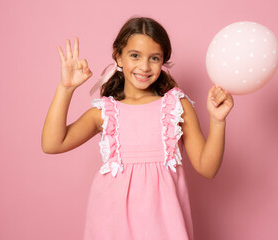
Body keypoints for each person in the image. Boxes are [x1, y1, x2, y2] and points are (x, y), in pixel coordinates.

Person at [42, 17, 233, 240]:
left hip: (164, 227)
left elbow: (207, 168)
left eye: (154, 58)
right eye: (135, 55)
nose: (144, 66)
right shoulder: (105, 112)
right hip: (111, 224)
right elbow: (52, 144)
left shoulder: (176, 106)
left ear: (163, 61)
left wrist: (218, 121)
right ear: (118, 56)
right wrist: (66, 88)